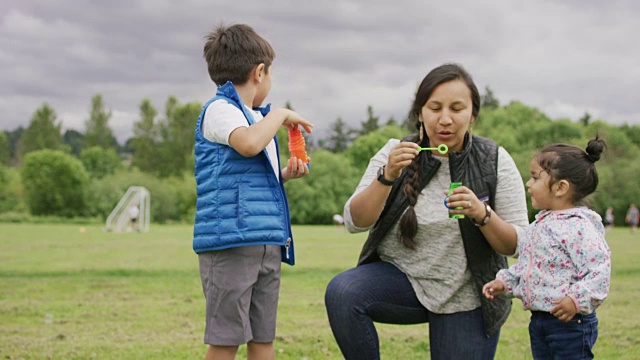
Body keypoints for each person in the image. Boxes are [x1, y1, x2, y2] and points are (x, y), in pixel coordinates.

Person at [324, 63, 530, 359]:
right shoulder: (395, 152)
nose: (445, 119)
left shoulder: (494, 160)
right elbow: (355, 222)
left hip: (467, 294)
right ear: (420, 113)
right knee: (343, 292)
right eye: (434, 108)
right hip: (401, 280)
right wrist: (387, 175)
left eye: (457, 109)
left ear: (472, 115)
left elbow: (515, 245)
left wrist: (482, 214)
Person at [193, 23, 313, 360]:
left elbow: (250, 174)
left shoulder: (256, 118)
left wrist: (284, 174)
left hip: (266, 241)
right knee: (226, 338)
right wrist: (280, 114)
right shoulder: (220, 111)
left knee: (263, 338)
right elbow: (247, 145)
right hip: (231, 242)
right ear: (259, 72)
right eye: (271, 73)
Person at [483, 138, 611, 359]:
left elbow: (598, 271)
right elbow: (529, 267)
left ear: (561, 187)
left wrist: (576, 299)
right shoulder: (538, 226)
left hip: (571, 323)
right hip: (540, 320)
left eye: (535, 177)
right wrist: (506, 281)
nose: (528, 184)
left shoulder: (579, 227)